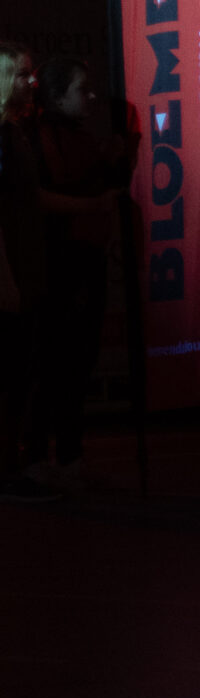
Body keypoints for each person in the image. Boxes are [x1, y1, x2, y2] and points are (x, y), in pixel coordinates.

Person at [24, 56, 134, 486]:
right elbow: (42, 198)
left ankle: (70, 455)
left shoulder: (81, 139)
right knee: (49, 361)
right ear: (55, 98)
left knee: (80, 361)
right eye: (80, 90)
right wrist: (93, 200)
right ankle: (35, 455)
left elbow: (106, 188)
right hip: (55, 263)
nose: (90, 96)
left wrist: (119, 158)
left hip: (87, 261)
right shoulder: (37, 140)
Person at [0, 41, 53, 505]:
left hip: (24, 271)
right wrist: (7, 279)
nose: (32, 82)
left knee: (20, 375)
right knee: (8, 376)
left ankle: (11, 465)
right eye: (22, 75)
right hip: (9, 276)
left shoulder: (17, 133)